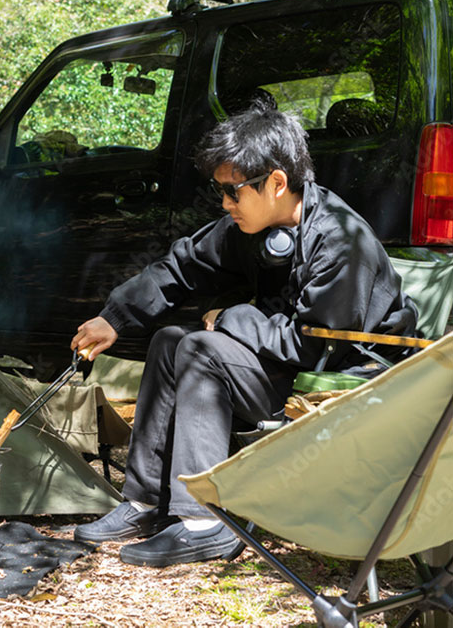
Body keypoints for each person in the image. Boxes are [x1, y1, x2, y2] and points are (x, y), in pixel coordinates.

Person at [70, 101, 418, 567]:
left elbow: (313, 346)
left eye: (232, 192)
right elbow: (185, 264)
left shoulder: (339, 241)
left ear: (276, 183)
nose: (224, 204)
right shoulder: (256, 225)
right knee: (169, 342)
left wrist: (233, 317)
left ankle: (204, 523)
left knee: (202, 349)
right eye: (221, 191)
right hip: (290, 365)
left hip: (339, 383)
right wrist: (115, 318)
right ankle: (145, 502)